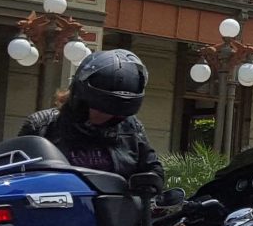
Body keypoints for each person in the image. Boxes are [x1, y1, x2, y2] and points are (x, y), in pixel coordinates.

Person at [19, 50, 160, 179]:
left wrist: (149, 183)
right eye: (99, 109)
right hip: (54, 204)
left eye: (114, 114)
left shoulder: (131, 128)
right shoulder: (42, 125)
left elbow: (152, 169)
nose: (105, 117)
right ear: (79, 99)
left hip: (112, 206)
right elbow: (13, 171)